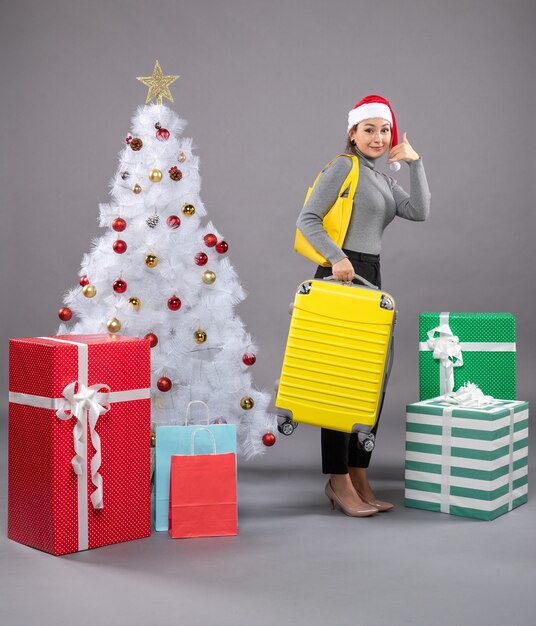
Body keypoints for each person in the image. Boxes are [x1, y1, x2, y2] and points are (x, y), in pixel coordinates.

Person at [296, 94, 431, 517]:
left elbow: (419, 212)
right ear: (352, 133)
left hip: (371, 277)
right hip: (341, 278)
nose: (378, 137)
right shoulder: (343, 167)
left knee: (371, 382)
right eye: (368, 129)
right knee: (339, 384)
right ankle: (337, 481)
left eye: (384, 129)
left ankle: (359, 474)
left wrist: (414, 163)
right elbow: (307, 219)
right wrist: (337, 258)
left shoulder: (382, 178)